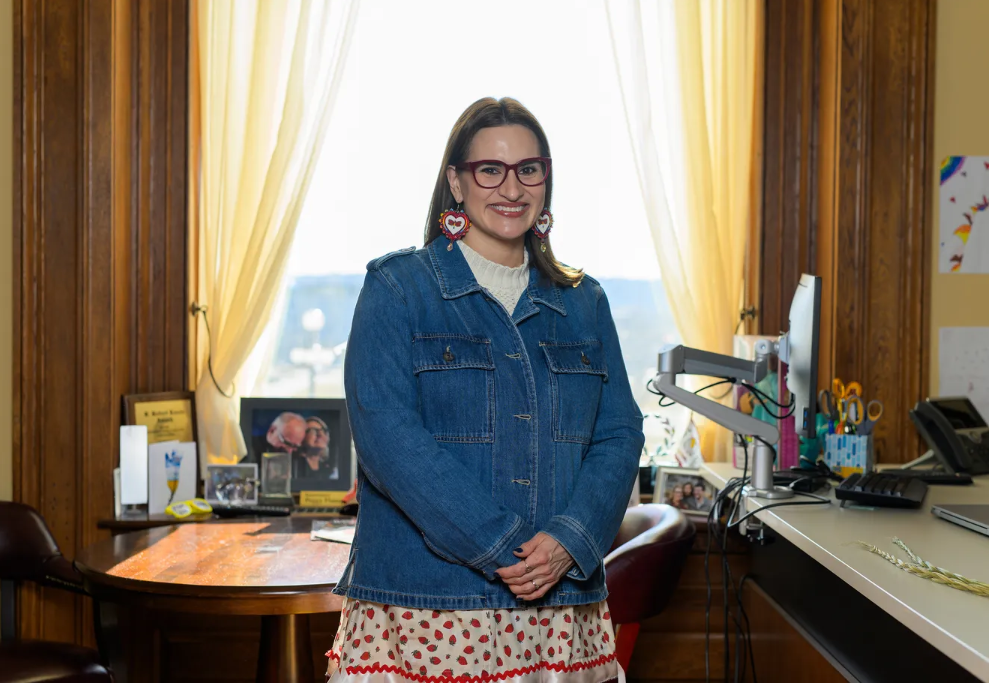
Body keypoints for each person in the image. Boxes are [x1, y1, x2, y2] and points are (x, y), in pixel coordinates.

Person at [326, 97, 644, 683]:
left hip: (560, 607)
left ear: (546, 179)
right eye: (489, 170)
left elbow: (619, 434)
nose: (512, 187)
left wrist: (568, 543)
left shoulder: (586, 302)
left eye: (529, 168)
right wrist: (507, 548)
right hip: (426, 607)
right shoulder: (397, 289)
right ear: (456, 181)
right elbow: (388, 441)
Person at [293, 416, 339, 480]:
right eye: (314, 430)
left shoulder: (331, 469)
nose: (320, 435)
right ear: (302, 436)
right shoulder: (293, 466)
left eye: (324, 431)